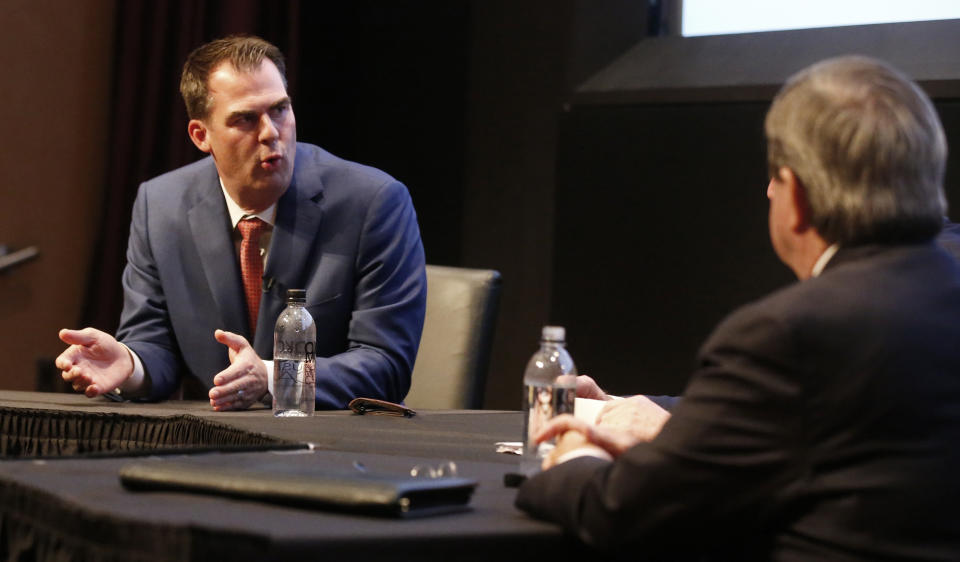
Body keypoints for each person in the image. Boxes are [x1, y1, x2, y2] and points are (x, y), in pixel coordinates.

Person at [516, 55, 960, 560]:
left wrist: (573, 455)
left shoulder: (788, 333)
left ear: (794, 195)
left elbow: (621, 510)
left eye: (773, 177)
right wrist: (672, 423)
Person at [55, 36, 426, 411]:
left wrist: (270, 376)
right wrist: (131, 366)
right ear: (202, 135)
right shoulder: (160, 205)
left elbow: (386, 366)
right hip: (209, 449)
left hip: (331, 449)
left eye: (280, 110)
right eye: (246, 119)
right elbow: (155, 344)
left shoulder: (374, 202)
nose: (270, 132)